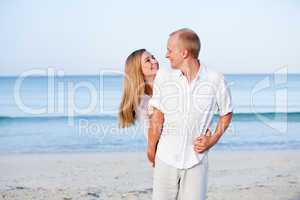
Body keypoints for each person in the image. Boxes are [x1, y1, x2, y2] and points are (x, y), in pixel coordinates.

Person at [147, 28, 233, 200]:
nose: (166, 55)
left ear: (184, 52)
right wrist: (151, 148)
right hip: (165, 157)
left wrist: (213, 139)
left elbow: (227, 112)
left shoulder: (215, 79)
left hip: (197, 160)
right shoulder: (164, 76)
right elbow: (158, 116)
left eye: (170, 50)